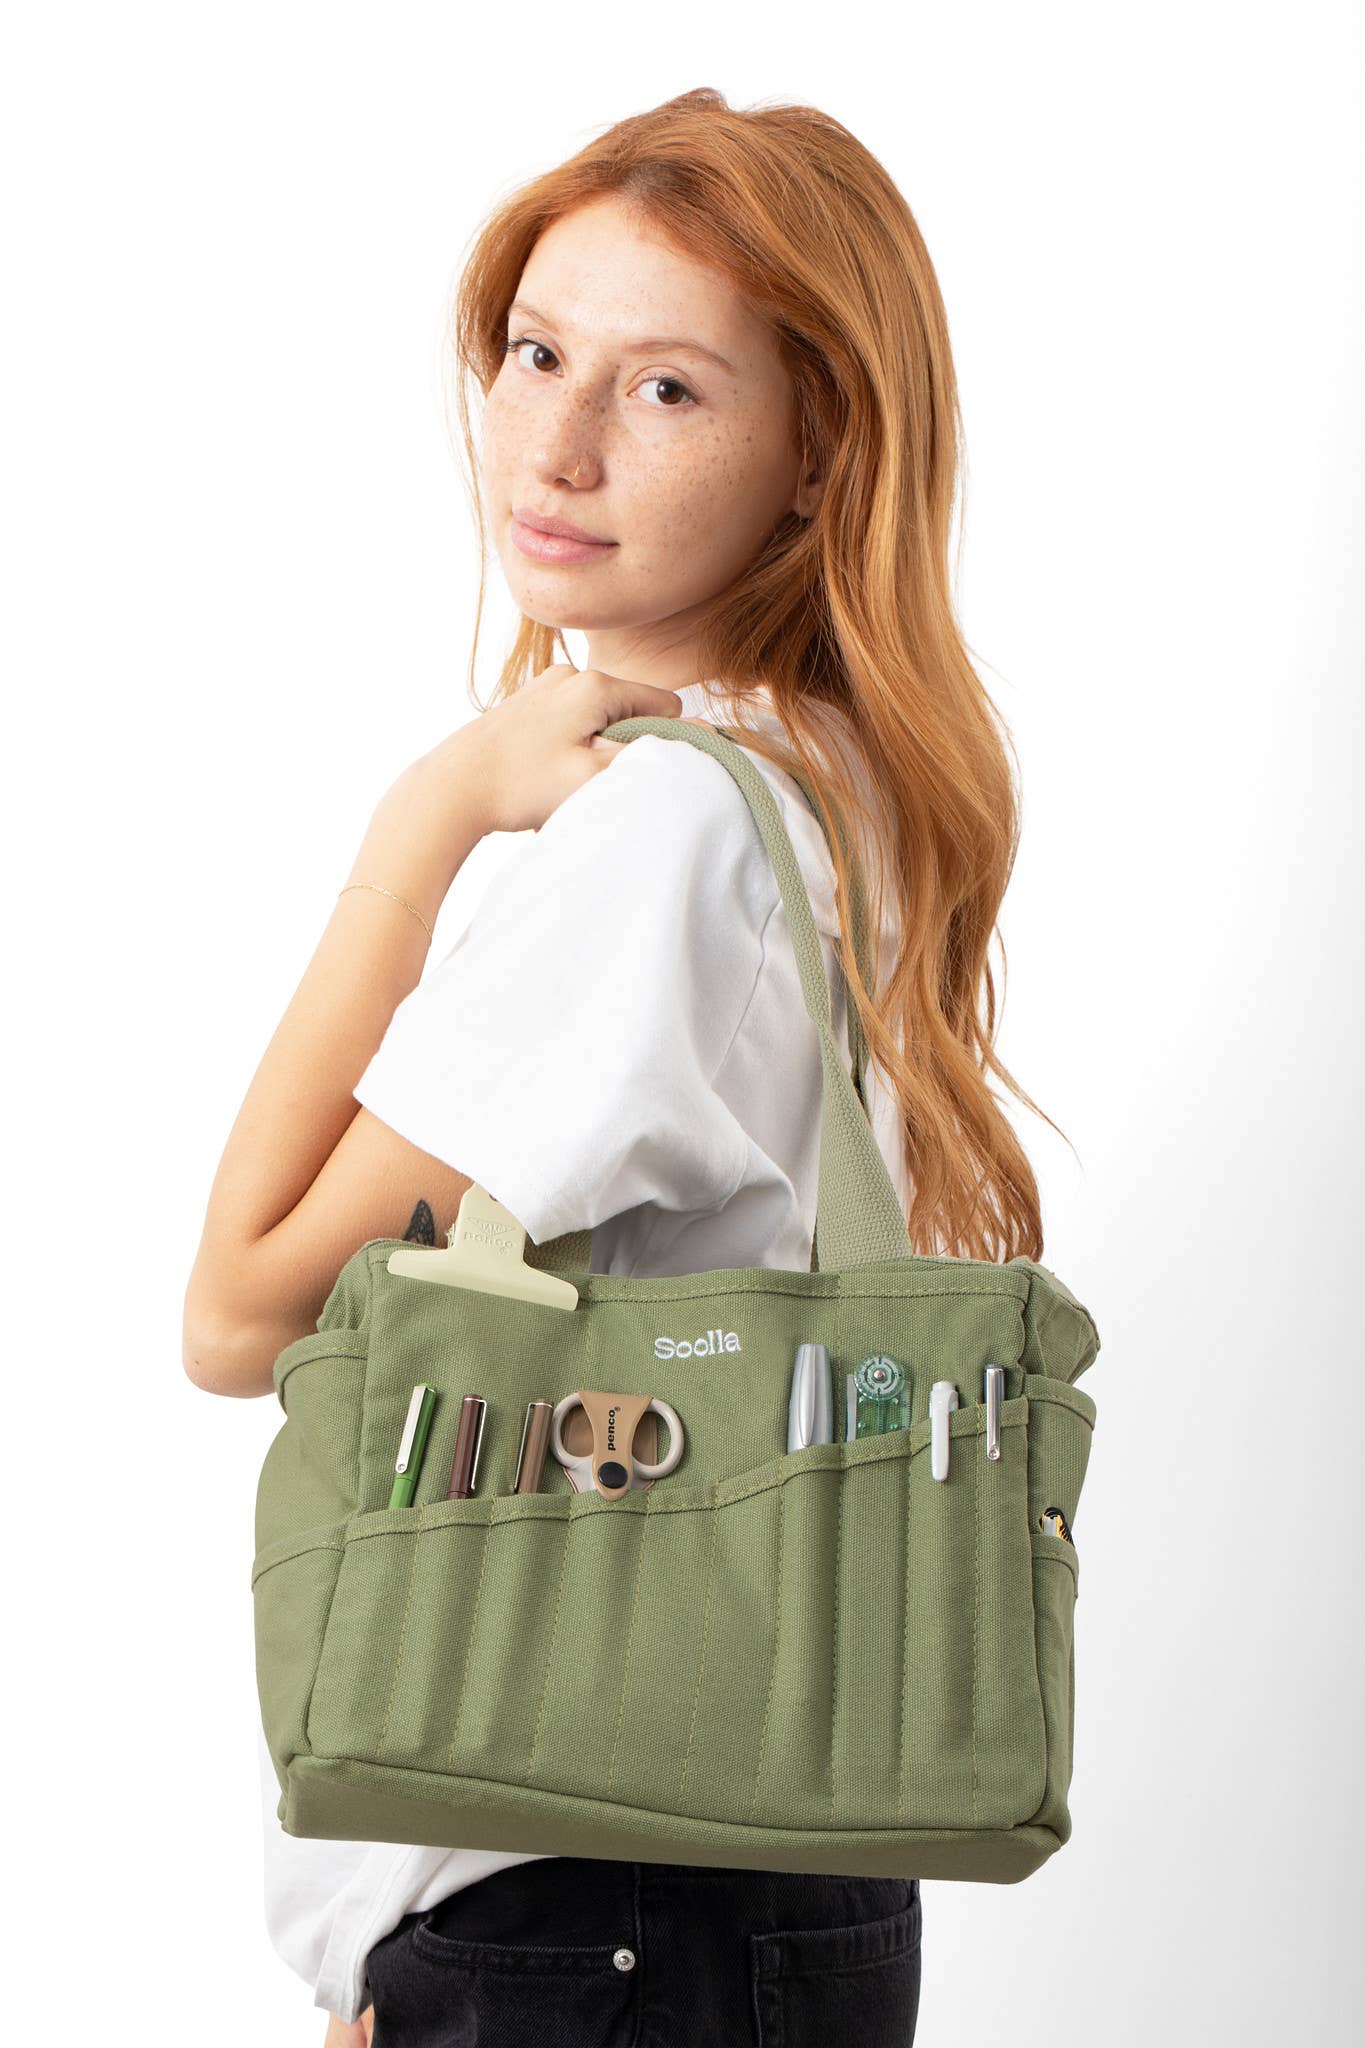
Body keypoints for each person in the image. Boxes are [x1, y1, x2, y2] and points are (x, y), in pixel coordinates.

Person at [185, 85, 1057, 2048]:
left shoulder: (666, 836)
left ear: (817, 453)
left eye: (666, 390)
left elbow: (241, 1307)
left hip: (591, 1911)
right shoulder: (832, 782)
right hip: (731, 1895)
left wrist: (419, 824)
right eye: (533, 350)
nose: (554, 443)